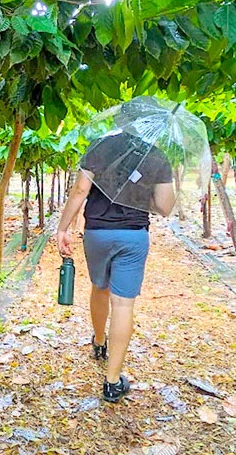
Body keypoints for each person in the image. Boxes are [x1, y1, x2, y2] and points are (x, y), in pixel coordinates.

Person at [55, 105, 176, 403]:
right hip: (133, 236)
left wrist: (63, 227)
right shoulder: (157, 156)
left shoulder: (101, 145)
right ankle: (112, 382)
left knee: (100, 287)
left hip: (97, 233)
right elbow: (164, 207)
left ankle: (99, 342)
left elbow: (80, 190)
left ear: (121, 120)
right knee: (123, 304)